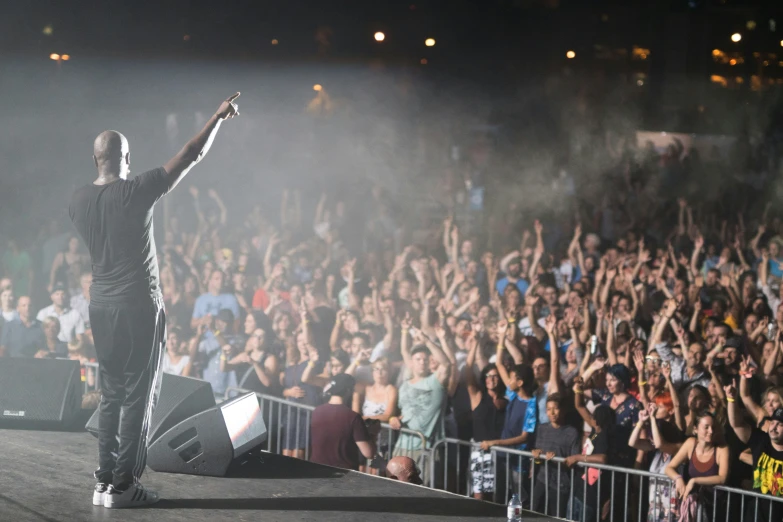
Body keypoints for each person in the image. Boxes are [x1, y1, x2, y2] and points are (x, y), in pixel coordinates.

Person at [68, 92, 240, 508]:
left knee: (110, 395)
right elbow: (190, 155)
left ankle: (104, 482)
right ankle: (125, 485)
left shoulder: (77, 201)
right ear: (125, 157)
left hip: (101, 306)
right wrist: (217, 117)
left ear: (96, 160)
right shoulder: (135, 191)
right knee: (138, 396)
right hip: (137, 305)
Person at [725, 382, 783, 521]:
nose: (774, 427)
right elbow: (737, 424)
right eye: (773, 423)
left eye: (780, 425)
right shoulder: (761, 440)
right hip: (755, 514)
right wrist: (732, 400)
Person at [664, 411, 730, 521]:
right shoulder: (691, 443)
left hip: (714, 510)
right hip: (693, 508)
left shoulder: (722, 449)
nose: (711, 431)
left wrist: (695, 480)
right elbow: (669, 468)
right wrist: (678, 478)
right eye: (706, 427)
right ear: (695, 429)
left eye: (713, 427)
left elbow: (722, 478)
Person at [310, 373, 380, 471]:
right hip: (343, 474)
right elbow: (368, 453)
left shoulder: (316, 411)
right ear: (349, 391)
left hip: (317, 470)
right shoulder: (353, 417)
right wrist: (372, 434)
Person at [529, 393, 581, 517]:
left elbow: (573, 462)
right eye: (548, 409)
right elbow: (538, 459)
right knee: (532, 513)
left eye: (555, 408)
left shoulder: (572, 432)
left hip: (561, 484)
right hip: (541, 479)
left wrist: (557, 460)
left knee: (556, 517)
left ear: (563, 410)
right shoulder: (542, 429)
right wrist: (536, 458)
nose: (552, 413)